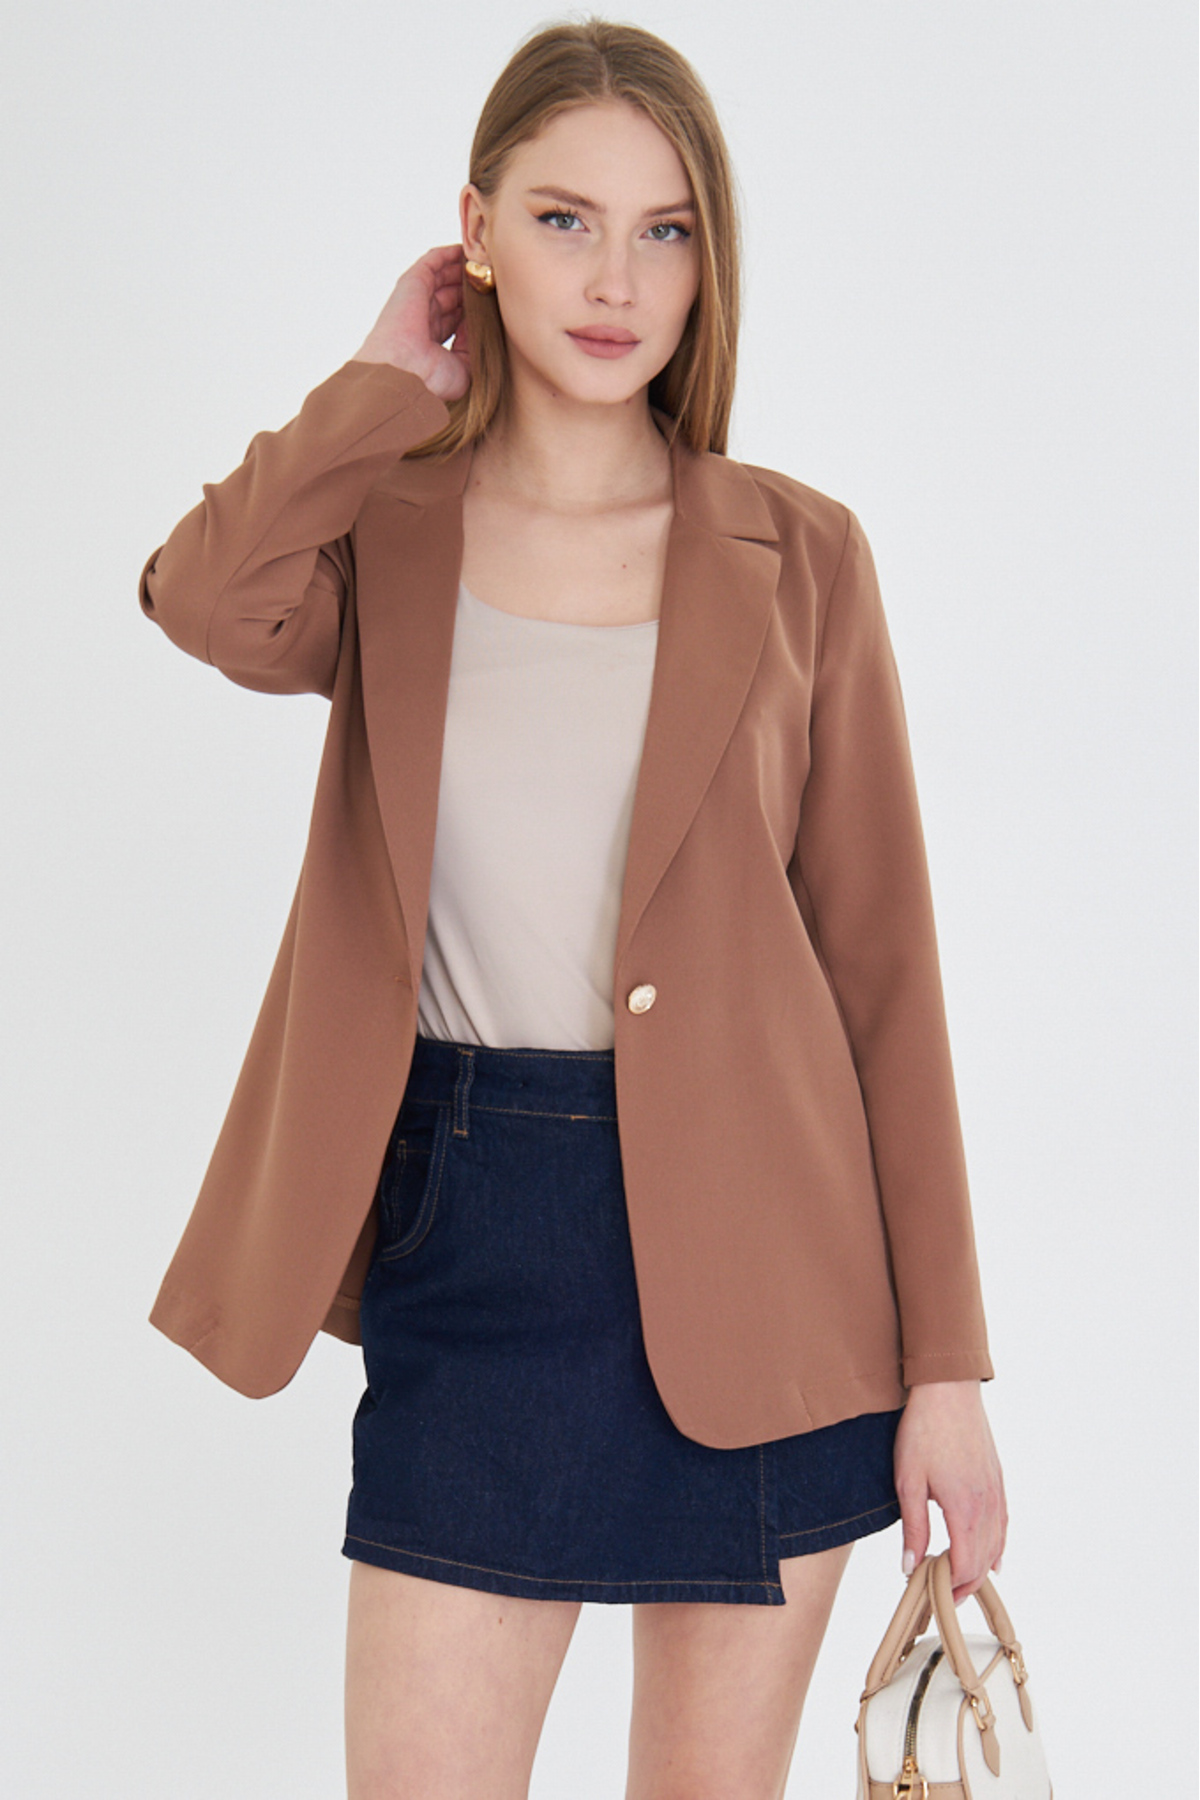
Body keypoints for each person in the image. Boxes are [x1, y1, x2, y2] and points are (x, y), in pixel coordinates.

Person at [137, 18, 1006, 1798]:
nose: (617, 280)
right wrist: (378, 385)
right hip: (475, 1239)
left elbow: (885, 976)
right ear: (474, 230)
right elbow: (203, 601)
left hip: (771, 1270)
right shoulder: (388, 534)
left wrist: (950, 1369)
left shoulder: (801, 555)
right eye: (563, 220)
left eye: (665, 230)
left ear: (708, 259)